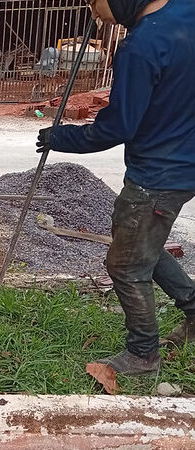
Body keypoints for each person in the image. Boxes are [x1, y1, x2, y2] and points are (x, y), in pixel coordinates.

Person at [36, 0, 195, 375]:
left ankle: (143, 355)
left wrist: (62, 136)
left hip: (157, 174)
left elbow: (116, 127)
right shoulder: (187, 11)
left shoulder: (142, 45)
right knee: (142, 245)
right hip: (185, 162)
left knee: (124, 265)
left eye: (95, 1)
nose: (94, 12)